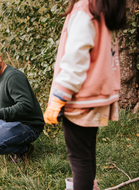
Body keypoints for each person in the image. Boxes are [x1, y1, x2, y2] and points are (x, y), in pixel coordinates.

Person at [43, 0, 126, 189]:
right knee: (87, 151)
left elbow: (75, 60)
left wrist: (59, 97)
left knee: (78, 158)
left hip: (81, 97)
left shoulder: (84, 8)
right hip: (99, 95)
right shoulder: (104, 7)